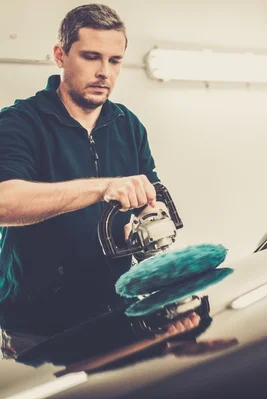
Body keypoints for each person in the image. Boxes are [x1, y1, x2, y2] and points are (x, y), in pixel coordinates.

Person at [0, 4, 179, 358]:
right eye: (91, 57)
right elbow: (5, 202)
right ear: (60, 55)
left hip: (117, 311)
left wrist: (147, 223)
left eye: (114, 61)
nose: (104, 72)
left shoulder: (127, 124)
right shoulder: (18, 123)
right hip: (37, 329)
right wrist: (103, 188)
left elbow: (150, 198)